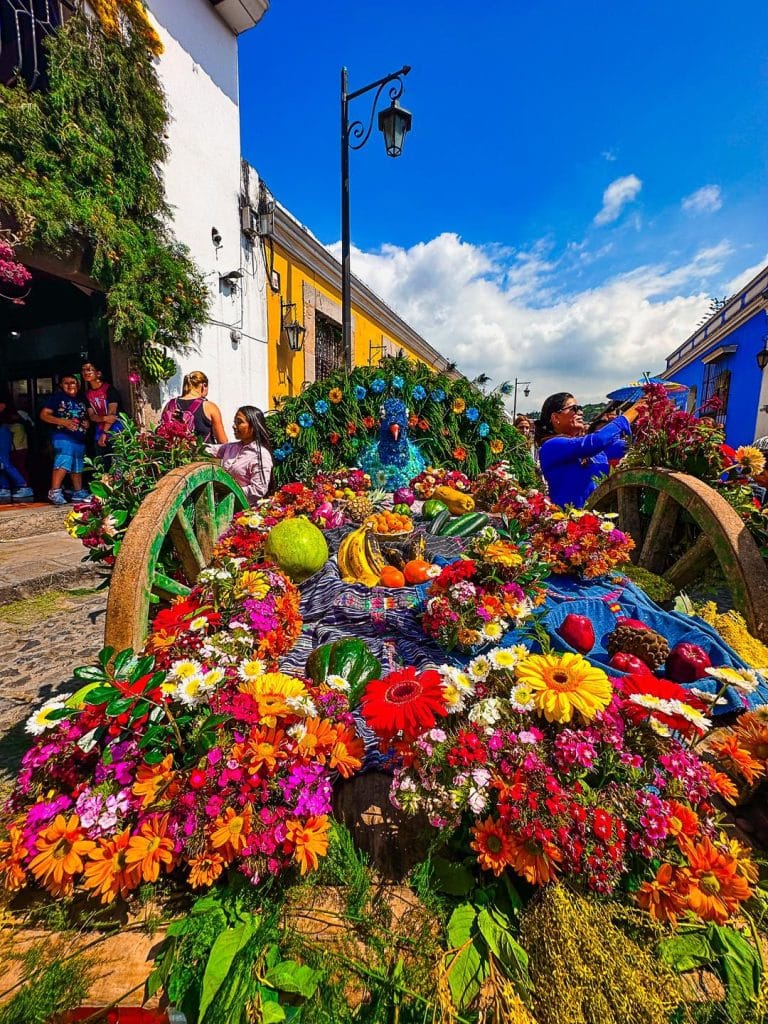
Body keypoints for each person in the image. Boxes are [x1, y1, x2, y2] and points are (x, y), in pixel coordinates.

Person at [535, 392, 642, 508]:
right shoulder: (551, 445)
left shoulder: (592, 448)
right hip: (573, 521)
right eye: (574, 409)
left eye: (579, 408)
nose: (580, 412)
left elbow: (631, 446)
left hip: (602, 520)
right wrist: (636, 408)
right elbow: (598, 440)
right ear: (556, 417)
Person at [206, 406, 272, 505]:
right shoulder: (231, 448)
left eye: (239, 422)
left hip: (244, 511)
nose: (234, 426)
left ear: (253, 427)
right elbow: (207, 449)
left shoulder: (261, 455)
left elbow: (258, 489)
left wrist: (229, 491)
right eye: (234, 422)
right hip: (223, 505)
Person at [39, 375, 90, 504]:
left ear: (78, 385)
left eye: (73, 383)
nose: (70, 385)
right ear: (61, 385)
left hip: (79, 437)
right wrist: (62, 421)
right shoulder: (57, 398)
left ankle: (78, 491)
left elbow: (87, 416)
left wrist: (87, 423)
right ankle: (55, 491)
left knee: (77, 464)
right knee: (63, 460)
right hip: (62, 436)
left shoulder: (81, 399)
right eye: (66, 383)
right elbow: (44, 415)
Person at [160, 370, 227, 444]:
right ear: (204, 385)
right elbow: (222, 441)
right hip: (201, 453)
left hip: (175, 453)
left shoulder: (170, 404)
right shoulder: (210, 407)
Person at [82, 362, 123, 448]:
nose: (86, 373)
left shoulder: (109, 389)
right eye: (83, 370)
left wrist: (104, 433)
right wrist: (104, 418)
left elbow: (112, 415)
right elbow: (92, 416)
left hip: (116, 429)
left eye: (89, 370)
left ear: (98, 373)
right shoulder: (87, 395)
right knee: (102, 458)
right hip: (99, 430)